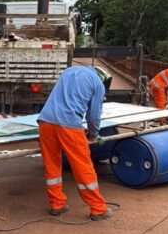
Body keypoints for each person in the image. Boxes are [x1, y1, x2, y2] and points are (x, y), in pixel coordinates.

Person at [37, 66, 113, 221]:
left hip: (45, 122)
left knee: (52, 164)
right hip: (69, 126)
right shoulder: (98, 84)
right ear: (104, 79)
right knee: (83, 166)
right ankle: (98, 209)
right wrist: (94, 134)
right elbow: (93, 116)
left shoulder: (69, 71)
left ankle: (56, 204)